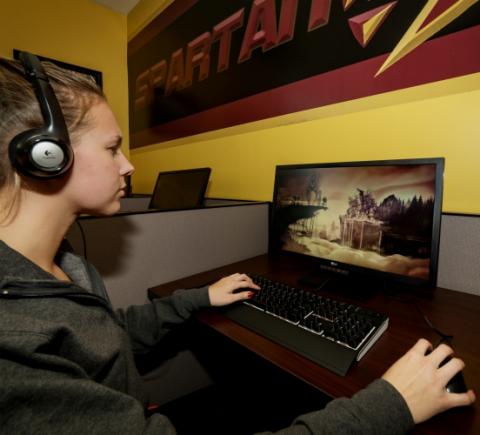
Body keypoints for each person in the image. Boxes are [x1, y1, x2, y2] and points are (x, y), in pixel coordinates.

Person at [0, 53, 475, 435]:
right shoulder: (14, 344)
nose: (127, 166)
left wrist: (198, 298)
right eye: (111, 148)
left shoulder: (65, 269)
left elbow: (102, 337)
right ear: (45, 156)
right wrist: (390, 406)